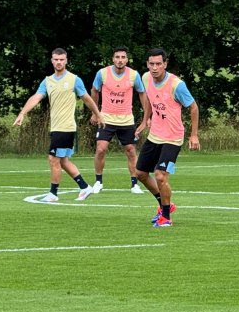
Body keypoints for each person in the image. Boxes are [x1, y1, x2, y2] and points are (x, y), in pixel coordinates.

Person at [14, 48, 105, 202]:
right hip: (55, 127)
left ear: (66, 61)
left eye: (61, 59)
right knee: (62, 161)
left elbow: (87, 98)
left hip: (66, 127)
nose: (59, 62)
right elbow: (36, 97)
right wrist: (22, 113)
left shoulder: (74, 79)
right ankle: (84, 187)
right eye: (56, 59)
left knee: (53, 159)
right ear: (52, 60)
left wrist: (98, 114)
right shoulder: (47, 81)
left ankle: (53, 194)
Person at [136, 49, 199, 227]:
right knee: (140, 173)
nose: (154, 67)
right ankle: (166, 204)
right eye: (151, 64)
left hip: (173, 138)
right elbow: (149, 99)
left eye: (158, 64)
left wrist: (194, 135)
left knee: (160, 176)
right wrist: (145, 120)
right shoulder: (146, 78)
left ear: (165, 64)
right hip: (155, 135)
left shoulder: (176, 85)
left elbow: (193, 107)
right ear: (147, 64)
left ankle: (166, 218)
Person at [89, 46, 149, 195]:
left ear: (127, 60)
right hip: (106, 118)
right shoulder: (102, 73)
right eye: (117, 57)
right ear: (113, 59)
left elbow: (142, 93)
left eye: (123, 57)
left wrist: (147, 117)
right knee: (101, 149)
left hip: (126, 119)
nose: (120, 60)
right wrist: (95, 112)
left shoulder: (134, 75)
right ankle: (98, 182)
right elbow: (94, 90)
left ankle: (135, 184)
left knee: (131, 151)